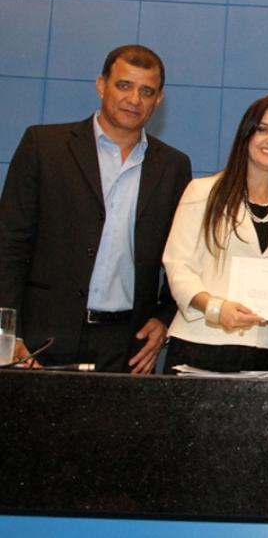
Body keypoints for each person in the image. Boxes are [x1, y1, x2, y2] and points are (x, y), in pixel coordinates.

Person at [0, 44, 191, 373]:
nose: (134, 99)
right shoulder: (43, 146)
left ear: (158, 100)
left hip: (124, 345)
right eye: (124, 85)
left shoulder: (173, 166)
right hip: (39, 336)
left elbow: (182, 256)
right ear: (101, 85)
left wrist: (164, 318)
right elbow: (9, 243)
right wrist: (5, 331)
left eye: (146, 91)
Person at [161, 94, 268, 376]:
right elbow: (178, 267)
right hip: (201, 341)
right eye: (262, 129)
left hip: (266, 352)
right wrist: (215, 308)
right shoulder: (202, 192)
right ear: (246, 135)